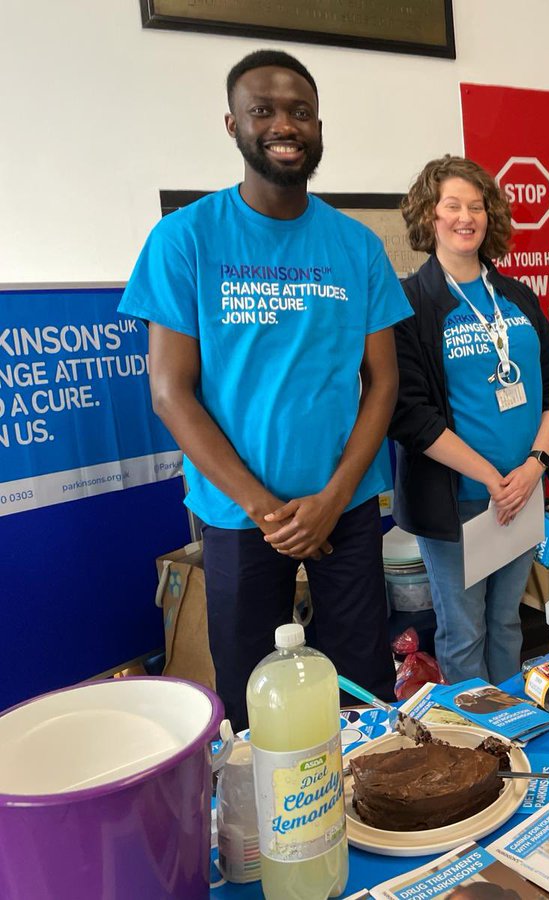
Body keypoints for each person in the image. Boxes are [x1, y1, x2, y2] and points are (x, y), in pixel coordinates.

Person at [120, 50, 410, 730]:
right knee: (255, 691)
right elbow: (170, 391)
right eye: (264, 110)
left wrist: (334, 497)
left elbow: (384, 381)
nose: (285, 124)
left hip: (347, 507)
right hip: (238, 515)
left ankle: (370, 817)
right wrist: (268, 511)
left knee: (362, 682)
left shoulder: (357, 245)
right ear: (233, 124)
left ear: (318, 125)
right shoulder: (185, 239)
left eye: (300, 112)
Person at [389, 156, 549, 685]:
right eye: (453, 205)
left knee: (507, 622)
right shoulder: (411, 301)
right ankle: (475, 743)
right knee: (463, 631)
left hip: (522, 490)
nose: (466, 217)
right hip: (459, 501)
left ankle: (513, 727)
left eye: (477, 206)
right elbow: (409, 414)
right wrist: (493, 479)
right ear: (430, 215)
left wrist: (535, 466)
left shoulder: (516, 295)